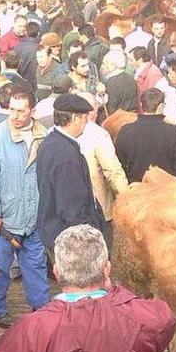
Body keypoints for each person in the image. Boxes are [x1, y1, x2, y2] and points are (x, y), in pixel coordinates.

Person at [0, 224, 175, 352]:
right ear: (107, 269)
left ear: (56, 272)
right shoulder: (146, 317)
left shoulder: (26, 332)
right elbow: (164, 320)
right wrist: (115, 294)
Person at [0, 85, 50, 328]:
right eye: (12, 110)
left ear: (33, 111)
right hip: (5, 220)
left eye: (21, 111)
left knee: (36, 265)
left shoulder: (45, 137)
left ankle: (41, 308)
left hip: (35, 218)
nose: (15, 116)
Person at [36, 93, 106, 248]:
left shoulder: (49, 143)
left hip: (53, 231)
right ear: (74, 118)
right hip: (71, 242)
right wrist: (86, 242)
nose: (86, 122)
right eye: (84, 117)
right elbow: (72, 209)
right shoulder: (67, 156)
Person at [74, 91, 128, 241]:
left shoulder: (55, 131)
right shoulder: (98, 135)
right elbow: (113, 171)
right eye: (96, 112)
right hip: (98, 209)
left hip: (68, 210)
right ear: (90, 112)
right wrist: (126, 198)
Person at [116, 88, 176, 183]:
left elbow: (118, 165)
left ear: (141, 105)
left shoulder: (125, 131)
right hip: (167, 190)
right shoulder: (173, 132)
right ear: (161, 106)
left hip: (137, 191)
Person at [100, 50, 137, 115]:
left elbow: (110, 110)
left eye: (104, 63)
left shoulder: (110, 84)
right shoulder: (131, 79)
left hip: (117, 120)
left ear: (113, 65)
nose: (102, 66)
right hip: (131, 118)